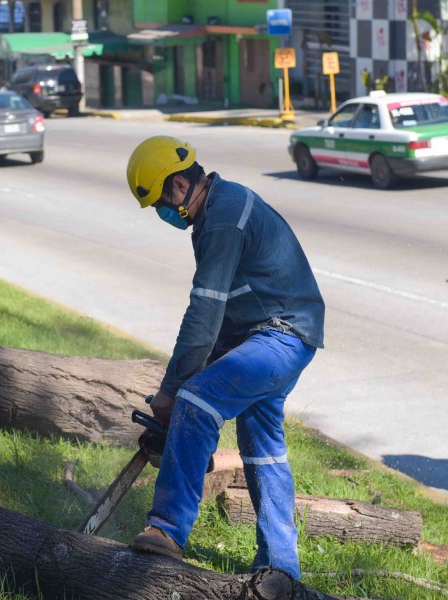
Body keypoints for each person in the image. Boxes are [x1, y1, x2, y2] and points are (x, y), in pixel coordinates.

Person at [125, 136, 325, 579]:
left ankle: (166, 531)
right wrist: (172, 416)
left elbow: (205, 312)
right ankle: (279, 569)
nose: (162, 213)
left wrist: (173, 392)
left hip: (281, 334)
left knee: (196, 401)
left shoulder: (222, 219)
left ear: (179, 184)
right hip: (275, 334)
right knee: (262, 450)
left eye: (160, 201)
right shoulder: (220, 208)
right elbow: (224, 318)